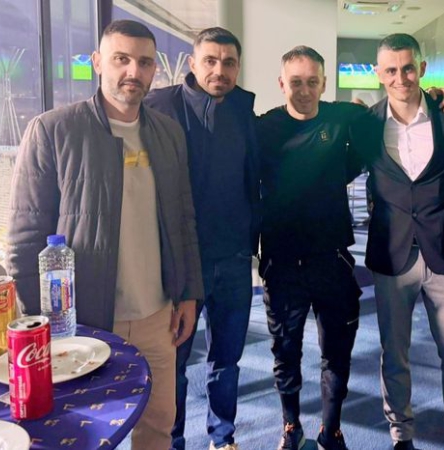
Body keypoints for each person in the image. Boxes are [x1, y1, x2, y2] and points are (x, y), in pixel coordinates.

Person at [6, 20, 203, 450]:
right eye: (121, 59)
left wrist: (189, 293)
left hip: (157, 315)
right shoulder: (54, 130)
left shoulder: (168, 133)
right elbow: (24, 238)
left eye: (144, 62)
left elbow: (184, 219)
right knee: (86, 432)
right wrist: (42, 324)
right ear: (97, 62)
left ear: (154, 70)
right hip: (83, 322)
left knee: (159, 424)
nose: (133, 71)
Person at [352, 33, 444, 450]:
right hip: (392, 254)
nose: (400, 77)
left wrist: (436, 207)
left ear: (421, 68)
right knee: (395, 354)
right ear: (378, 73)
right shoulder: (366, 124)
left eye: (408, 68)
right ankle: (400, 435)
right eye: (391, 70)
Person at [144, 27, 259, 450]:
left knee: (227, 360)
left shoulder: (245, 112)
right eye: (210, 61)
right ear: (193, 63)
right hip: (178, 263)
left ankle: (222, 436)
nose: (219, 70)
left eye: (228, 63)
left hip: (233, 259)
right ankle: (172, 440)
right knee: (173, 362)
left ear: (238, 67)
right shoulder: (159, 108)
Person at [256, 46, 364, 450]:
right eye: (295, 82)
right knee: (286, 352)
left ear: (324, 83)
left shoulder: (342, 117)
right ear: (281, 84)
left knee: (336, 352)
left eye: (312, 82)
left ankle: (330, 429)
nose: (304, 90)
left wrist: (438, 98)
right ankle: (291, 426)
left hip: (330, 259)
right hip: (282, 263)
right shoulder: (264, 128)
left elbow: (389, 112)